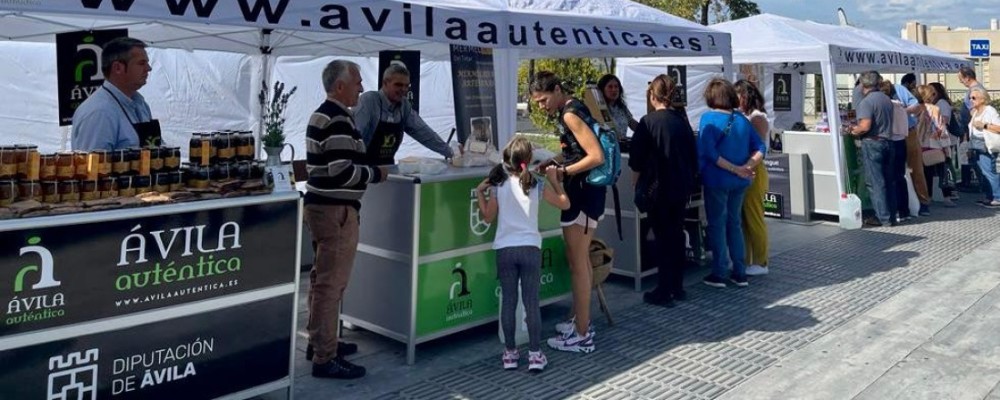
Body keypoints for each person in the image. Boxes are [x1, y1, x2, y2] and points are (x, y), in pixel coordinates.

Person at [303, 60, 389, 379]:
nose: (362, 87)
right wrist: (376, 174)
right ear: (340, 86)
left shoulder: (328, 114)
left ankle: (321, 341)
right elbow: (343, 170)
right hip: (334, 211)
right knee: (331, 284)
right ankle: (325, 357)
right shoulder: (337, 118)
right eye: (357, 82)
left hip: (323, 208)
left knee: (321, 280)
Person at [475, 137, 570, 372]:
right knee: (531, 303)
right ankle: (536, 355)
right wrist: (554, 181)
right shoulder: (535, 184)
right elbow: (565, 204)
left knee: (508, 301)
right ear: (528, 160)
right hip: (530, 248)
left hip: (505, 249)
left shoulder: (498, 184)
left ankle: (509, 354)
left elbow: (487, 217)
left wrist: (479, 193)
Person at [530, 71, 606, 353]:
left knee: (577, 263)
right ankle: (579, 319)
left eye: (543, 99)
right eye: (537, 102)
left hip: (583, 194)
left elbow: (595, 155)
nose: (541, 106)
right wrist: (554, 159)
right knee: (581, 260)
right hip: (585, 193)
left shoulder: (570, 114)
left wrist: (561, 171)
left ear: (558, 89)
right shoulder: (573, 109)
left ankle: (583, 333)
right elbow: (576, 150)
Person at [629, 74, 698, 306]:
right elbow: (693, 155)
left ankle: (664, 289)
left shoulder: (648, 122)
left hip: (658, 189)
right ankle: (677, 286)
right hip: (681, 187)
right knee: (676, 235)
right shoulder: (682, 121)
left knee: (661, 238)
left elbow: (636, 161)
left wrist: (635, 184)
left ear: (652, 95)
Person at [698, 78, 766, 289]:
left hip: (717, 180)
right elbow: (761, 147)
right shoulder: (742, 120)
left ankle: (719, 272)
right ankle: (740, 271)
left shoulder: (708, 119)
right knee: (734, 223)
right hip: (740, 182)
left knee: (717, 225)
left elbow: (709, 153)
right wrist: (747, 166)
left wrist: (735, 169)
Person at [354, 63, 453, 165]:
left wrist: (452, 153)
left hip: (387, 169)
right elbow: (354, 137)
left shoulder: (404, 105)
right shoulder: (370, 100)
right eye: (398, 85)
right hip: (362, 169)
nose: (404, 90)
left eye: (407, 86)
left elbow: (423, 132)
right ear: (385, 83)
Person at [71, 37, 159, 151]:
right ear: (118, 68)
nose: (149, 68)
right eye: (141, 63)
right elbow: (92, 166)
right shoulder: (99, 112)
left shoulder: (140, 104)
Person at [849, 71, 896, 227]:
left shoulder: (867, 102)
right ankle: (891, 215)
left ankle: (882, 217)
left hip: (873, 143)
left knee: (875, 183)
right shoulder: (886, 99)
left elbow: (865, 126)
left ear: (863, 85)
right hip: (888, 141)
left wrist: (852, 130)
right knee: (888, 181)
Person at [734, 79, 770, 276]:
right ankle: (745, 259)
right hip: (743, 169)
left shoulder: (757, 118)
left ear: (745, 96)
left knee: (754, 217)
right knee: (742, 219)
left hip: (753, 169)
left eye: (736, 95)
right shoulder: (742, 116)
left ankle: (761, 261)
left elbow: (757, 148)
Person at [916, 85, 957, 208]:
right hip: (935, 144)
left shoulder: (916, 109)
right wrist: (946, 146)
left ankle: (926, 198)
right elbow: (941, 128)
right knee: (942, 172)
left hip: (920, 144)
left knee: (925, 173)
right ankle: (947, 197)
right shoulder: (934, 109)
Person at [897, 74, 931, 216]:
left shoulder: (899, 90)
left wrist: (902, 111)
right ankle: (903, 204)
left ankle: (923, 202)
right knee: (899, 171)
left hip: (908, 132)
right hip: (894, 135)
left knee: (915, 168)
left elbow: (916, 107)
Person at [968, 87, 1000, 207]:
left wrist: (984, 125)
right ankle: (989, 196)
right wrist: (970, 147)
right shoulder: (975, 112)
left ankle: (997, 196)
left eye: (974, 97)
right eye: (970, 98)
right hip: (976, 146)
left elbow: (999, 128)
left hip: (987, 145)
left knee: (990, 172)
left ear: (983, 98)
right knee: (982, 172)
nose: (971, 100)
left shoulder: (990, 111)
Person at [879, 82, 907, 222]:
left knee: (890, 178)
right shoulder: (900, 105)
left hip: (891, 141)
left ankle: (893, 210)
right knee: (900, 177)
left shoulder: (886, 106)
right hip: (902, 141)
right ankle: (904, 210)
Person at [929, 82, 959, 202]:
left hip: (944, 140)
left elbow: (944, 121)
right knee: (944, 165)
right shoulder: (937, 104)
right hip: (940, 140)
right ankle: (947, 190)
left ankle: (951, 190)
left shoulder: (942, 103)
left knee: (946, 165)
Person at [598, 74, 638, 138]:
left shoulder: (622, 108)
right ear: (602, 90)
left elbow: (633, 124)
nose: (614, 90)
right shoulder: (598, 109)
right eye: (610, 87)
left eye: (616, 86)